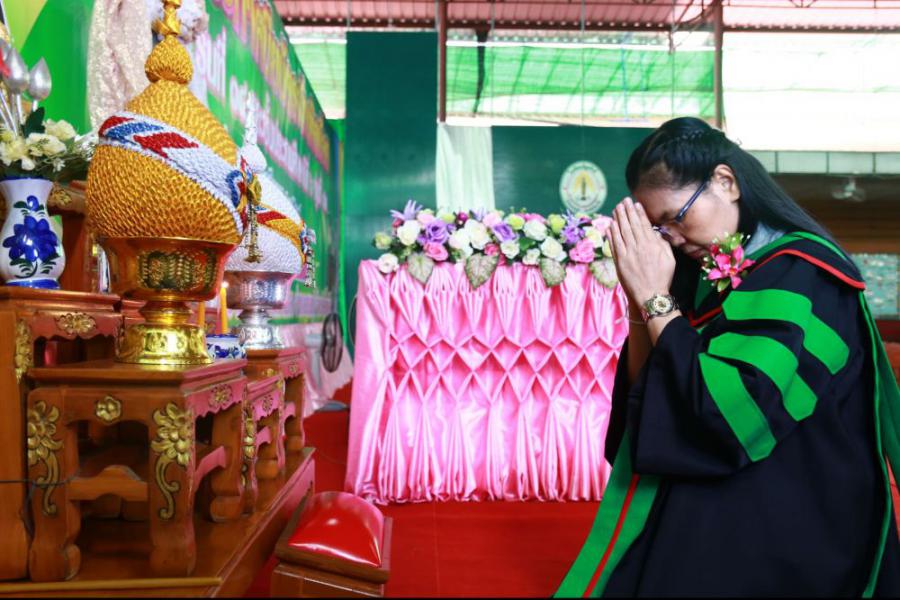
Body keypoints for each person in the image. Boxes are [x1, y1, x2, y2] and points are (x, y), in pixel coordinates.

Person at [556, 117, 900, 597]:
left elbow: (732, 411)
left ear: (726, 182)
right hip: (737, 479)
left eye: (677, 217)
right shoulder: (705, 274)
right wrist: (640, 300)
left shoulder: (803, 271)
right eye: (658, 228)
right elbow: (651, 394)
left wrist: (657, 299)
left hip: (801, 498)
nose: (672, 238)